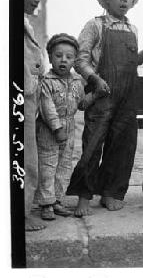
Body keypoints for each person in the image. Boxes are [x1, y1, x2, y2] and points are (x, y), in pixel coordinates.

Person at [66, 0, 143, 217]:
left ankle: (110, 193)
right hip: (101, 94)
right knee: (92, 146)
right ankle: (83, 197)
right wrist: (95, 79)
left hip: (127, 96)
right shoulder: (95, 25)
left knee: (122, 147)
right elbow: (80, 59)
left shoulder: (132, 28)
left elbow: (132, 62)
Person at [34, 33, 94, 220]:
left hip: (69, 128)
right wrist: (56, 129)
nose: (63, 60)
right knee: (48, 166)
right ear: (50, 57)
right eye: (58, 55)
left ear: (74, 60)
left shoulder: (77, 81)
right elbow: (47, 107)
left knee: (64, 166)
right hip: (49, 130)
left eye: (69, 57)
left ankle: (57, 200)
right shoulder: (47, 81)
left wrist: (95, 95)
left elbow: (82, 103)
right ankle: (46, 203)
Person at [24, 0, 46, 231]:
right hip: (22, 97)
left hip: (29, 96)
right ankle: (21, 213)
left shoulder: (25, 22)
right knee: (25, 157)